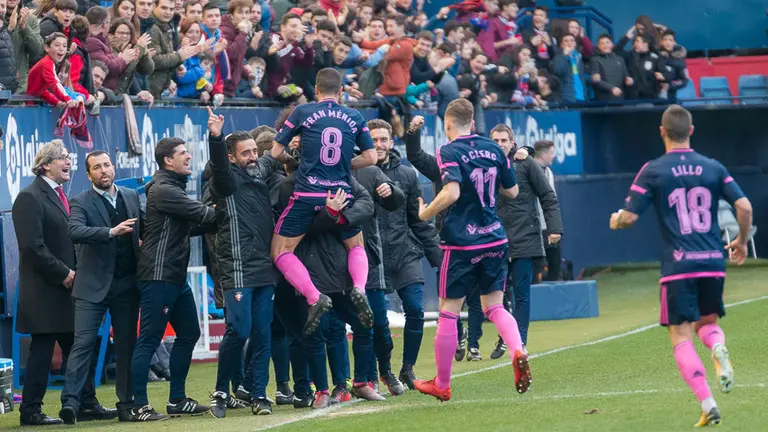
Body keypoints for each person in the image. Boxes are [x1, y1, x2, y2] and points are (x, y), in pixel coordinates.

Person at [610, 105, 751, 427]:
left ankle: (707, 403)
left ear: (662, 132)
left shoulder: (654, 170)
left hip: (679, 266)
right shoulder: (713, 167)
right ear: (691, 131)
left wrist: (616, 221)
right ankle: (718, 345)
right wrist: (742, 242)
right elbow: (744, 206)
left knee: (681, 334)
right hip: (713, 261)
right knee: (707, 322)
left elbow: (629, 218)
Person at [413, 98, 532, 401]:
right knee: (495, 306)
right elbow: (513, 191)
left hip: (461, 241)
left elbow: (451, 192)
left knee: (449, 312)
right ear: (473, 123)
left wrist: (425, 213)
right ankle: (518, 350)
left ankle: (442, 383)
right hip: (494, 237)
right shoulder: (493, 148)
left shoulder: (448, 150)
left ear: (447, 124)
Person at [269, 68, 378, 335]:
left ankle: (314, 297)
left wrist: (296, 162)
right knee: (356, 244)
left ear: (316, 90)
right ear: (340, 91)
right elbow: (372, 158)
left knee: (281, 251)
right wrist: (344, 165)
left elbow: (275, 152)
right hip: (340, 193)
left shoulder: (302, 111)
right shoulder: (355, 116)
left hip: (308, 193)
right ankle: (359, 288)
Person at [129, 137, 216, 421]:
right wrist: (232, 209)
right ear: (168, 160)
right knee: (149, 339)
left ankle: (177, 400)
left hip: (174, 276)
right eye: (182, 153)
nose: (189, 156)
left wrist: (214, 217)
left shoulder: (170, 188)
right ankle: (139, 405)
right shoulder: (164, 190)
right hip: (159, 275)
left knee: (189, 332)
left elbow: (192, 226)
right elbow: (204, 215)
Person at [204, 108, 283, 418]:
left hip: (264, 268)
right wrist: (215, 137)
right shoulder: (224, 180)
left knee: (263, 333)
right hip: (237, 268)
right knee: (238, 331)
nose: (252, 157)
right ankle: (221, 391)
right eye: (245, 153)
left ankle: (259, 394)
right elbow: (218, 164)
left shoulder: (258, 170)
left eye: (254, 151)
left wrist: (297, 125)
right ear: (231, 158)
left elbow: (273, 154)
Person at [59, 151, 143, 424]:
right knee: (83, 344)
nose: (103, 170)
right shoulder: (80, 201)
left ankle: (126, 405)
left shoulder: (130, 196)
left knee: (126, 345)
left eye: (106, 165)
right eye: (97, 167)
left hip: (126, 284)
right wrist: (110, 232)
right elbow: (74, 231)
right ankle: (70, 404)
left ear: (113, 167)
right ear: (88, 174)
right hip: (91, 286)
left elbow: (145, 228)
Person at [11, 141, 78, 426]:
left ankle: (84, 401)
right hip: (44, 291)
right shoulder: (29, 197)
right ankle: (31, 410)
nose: (68, 162)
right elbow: (32, 247)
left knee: (77, 346)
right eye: (62, 157)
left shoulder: (61, 195)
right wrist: (64, 274)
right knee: (42, 350)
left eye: (68, 157)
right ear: (45, 165)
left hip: (65, 291)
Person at [371, 118, 441, 390]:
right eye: (374, 140)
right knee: (378, 322)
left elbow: (417, 220)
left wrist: (438, 257)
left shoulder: (408, 175)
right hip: (372, 257)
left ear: (391, 142)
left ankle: (408, 369)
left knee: (415, 310)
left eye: (383, 139)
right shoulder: (357, 173)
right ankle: (385, 370)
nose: (379, 144)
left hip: (404, 252)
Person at [488, 126, 563, 360]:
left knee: (521, 294)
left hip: (524, 237)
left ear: (512, 142)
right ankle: (506, 334)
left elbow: (547, 196)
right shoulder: (485, 165)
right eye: (495, 140)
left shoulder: (526, 163)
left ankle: (519, 342)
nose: (500, 144)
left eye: (504, 140)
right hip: (494, 238)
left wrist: (554, 227)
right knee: (496, 294)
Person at [148, 0, 198, 98]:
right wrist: (179, 56)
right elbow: (155, 60)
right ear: (154, 6)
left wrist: (177, 64)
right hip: (149, 91)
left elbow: (167, 54)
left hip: (159, 89)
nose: (168, 12)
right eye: (164, 8)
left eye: (171, 9)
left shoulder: (167, 25)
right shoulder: (152, 28)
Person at [534, 140, 562, 281]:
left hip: (549, 228)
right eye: (551, 153)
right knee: (534, 269)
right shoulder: (528, 171)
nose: (553, 156)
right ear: (543, 155)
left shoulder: (549, 172)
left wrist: (554, 227)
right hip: (533, 229)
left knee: (555, 265)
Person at [589, 33, 631, 102]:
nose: (605, 45)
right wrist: (612, 88)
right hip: (603, 100)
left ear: (612, 44)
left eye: (607, 42)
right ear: (598, 46)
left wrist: (629, 80)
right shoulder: (594, 60)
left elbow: (626, 76)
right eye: (602, 43)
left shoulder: (620, 59)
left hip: (620, 99)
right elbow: (596, 81)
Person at [551, 33, 586, 103]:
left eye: (572, 40)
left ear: (575, 44)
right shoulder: (558, 58)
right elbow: (558, 71)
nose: (569, 43)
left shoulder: (578, 57)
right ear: (561, 45)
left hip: (581, 97)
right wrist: (565, 55)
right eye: (566, 41)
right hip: (567, 98)